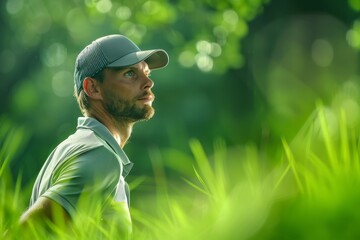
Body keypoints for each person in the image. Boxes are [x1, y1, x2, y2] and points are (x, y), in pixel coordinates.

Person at [19, 34, 169, 237]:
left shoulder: (74, 147)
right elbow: (25, 232)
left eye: (146, 72)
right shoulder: (99, 157)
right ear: (93, 88)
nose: (148, 82)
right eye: (130, 74)